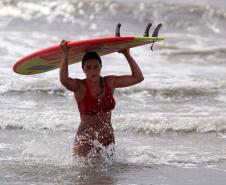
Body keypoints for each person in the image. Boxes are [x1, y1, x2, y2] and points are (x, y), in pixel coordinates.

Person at [59, 40, 144, 157]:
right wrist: (65, 54)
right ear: (83, 69)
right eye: (88, 68)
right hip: (85, 138)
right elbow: (64, 80)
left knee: (108, 174)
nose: (92, 71)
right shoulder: (80, 87)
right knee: (82, 173)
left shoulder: (110, 82)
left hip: (107, 137)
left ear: (100, 67)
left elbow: (138, 78)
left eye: (96, 67)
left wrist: (127, 54)